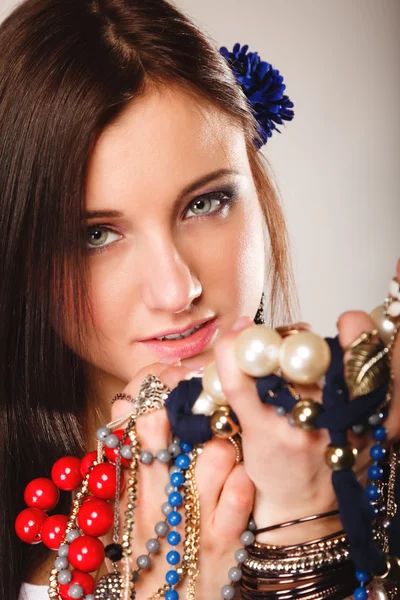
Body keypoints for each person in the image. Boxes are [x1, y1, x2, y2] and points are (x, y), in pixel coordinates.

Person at [0, 1, 398, 599]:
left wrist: (311, 541)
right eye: (95, 235)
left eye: (205, 203)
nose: (177, 289)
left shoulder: (372, 452)